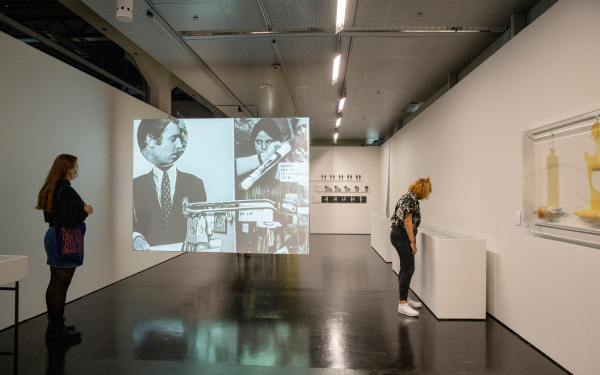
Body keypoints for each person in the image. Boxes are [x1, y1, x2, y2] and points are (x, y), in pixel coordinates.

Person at [36, 154, 93, 345]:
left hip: (53, 236)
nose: (77, 170)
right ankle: (56, 330)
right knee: (61, 285)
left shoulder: (52, 187)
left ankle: (55, 326)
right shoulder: (66, 190)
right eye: (75, 166)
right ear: (67, 168)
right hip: (64, 239)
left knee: (54, 283)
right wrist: (86, 211)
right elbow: (70, 220)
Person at [133, 119, 207, 249]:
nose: (179, 145)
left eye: (179, 138)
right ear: (150, 140)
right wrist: (135, 237)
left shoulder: (195, 184)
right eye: (173, 139)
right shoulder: (134, 186)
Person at [390, 177, 432, 317]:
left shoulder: (407, 197)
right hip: (401, 236)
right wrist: (412, 241)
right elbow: (407, 221)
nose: (426, 195)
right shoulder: (410, 199)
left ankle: (404, 298)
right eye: (427, 192)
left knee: (405, 267)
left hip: (399, 234)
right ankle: (402, 304)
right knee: (409, 269)